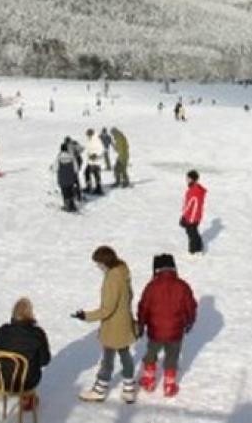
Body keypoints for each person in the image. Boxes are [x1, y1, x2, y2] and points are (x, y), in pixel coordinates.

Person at [73, 246, 137, 403]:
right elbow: (130, 295)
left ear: (104, 262)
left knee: (108, 358)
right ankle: (129, 388)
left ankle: (99, 389)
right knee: (125, 355)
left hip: (113, 326)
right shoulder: (123, 272)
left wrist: (86, 316)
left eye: (98, 263)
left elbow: (107, 309)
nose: (98, 266)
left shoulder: (112, 278)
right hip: (125, 322)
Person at [136, 253, 198, 398]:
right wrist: (190, 321)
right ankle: (169, 385)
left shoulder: (151, 286)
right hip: (175, 331)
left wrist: (141, 323)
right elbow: (191, 306)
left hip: (155, 331)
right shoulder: (182, 285)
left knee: (151, 354)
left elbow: (143, 307)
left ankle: (149, 380)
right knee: (172, 356)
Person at [0, 297, 51, 411]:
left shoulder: (3, 331)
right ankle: (27, 397)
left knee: (16, 368)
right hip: (27, 381)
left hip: (4, 380)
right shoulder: (37, 333)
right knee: (29, 369)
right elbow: (45, 360)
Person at [181, 170, 207, 255]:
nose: (186, 179)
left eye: (188, 178)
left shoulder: (193, 190)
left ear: (192, 179)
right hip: (196, 216)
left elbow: (190, 205)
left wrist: (184, 217)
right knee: (194, 232)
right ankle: (199, 247)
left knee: (191, 234)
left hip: (192, 217)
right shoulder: (196, 188)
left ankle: (193, 251)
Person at [55, 140, 80, 212]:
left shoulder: (58, 157)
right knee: (70, 191)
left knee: (65, 192)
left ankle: (67, 206)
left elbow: (55, 168)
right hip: (71, 178)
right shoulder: (72, 157)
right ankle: (73, 205)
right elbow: (76, 168)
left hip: (62, 179)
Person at [82, 129, 105, 195]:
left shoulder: (97, 140)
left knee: (95, 174)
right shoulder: (90, 140)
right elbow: (88, 148)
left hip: (96, 161)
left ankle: (98, 188)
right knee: (87, 173)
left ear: (91, 134)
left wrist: (95, 155)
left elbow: (102, 149)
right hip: (90, 161)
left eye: (88, 134)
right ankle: (91, 187)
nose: (87, 136)